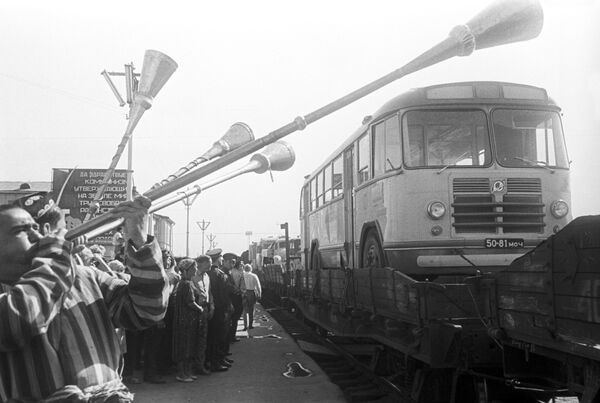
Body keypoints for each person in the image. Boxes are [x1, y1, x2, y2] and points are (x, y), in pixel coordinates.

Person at [0, 196, 168, 402]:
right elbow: (18, 320)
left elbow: (147, 311)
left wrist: (139, 239)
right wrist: (56, 257)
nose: (38, 236)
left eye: (36, 227)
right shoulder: (54, 270)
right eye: (21, 230)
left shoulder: (88, 276)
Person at [172, 258, 204, 383]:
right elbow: (190, 302)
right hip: (186, 320)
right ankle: (182, 374)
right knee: (185, 347)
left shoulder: (186, 283)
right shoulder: (186, 284)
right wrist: (200, 308)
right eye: (193, 268)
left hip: (186, 319)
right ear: (187, 270)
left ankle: (186, 372)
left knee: (188, 346)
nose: (195, 270)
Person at [205, 248, 233, 372]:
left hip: (212, 308)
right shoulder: (219, 274)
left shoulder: (208, 273)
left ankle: (218, 359)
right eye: (221, 257)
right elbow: (223, 294)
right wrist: (228, 307)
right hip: (220, 309)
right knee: (218, 336)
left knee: (214, 336)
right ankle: (216, 361)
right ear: (218, 258)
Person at [192, 254, 213, 376]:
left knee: (203, 339)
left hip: (205, 310)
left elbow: (210, 293)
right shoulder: (193, 276)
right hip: (194, 311)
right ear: (200, 264)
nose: (210, 264)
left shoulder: (207, 276)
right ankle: (194, 366)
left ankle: (200, 365)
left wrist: (212, 307)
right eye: (208, 262)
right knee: (194, 339)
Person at [226, 253, 246, 342]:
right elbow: (242, 286)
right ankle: (232, 336)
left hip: (231, 296)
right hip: (236, 297)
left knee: (231, 319)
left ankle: (229, 336)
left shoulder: (230, 271)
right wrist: (241, 292)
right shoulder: (239, 273)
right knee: (235, 318)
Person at [242, 263, 262, 330]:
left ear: (244, 269)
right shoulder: (254, 275)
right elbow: (258, 286)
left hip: (244, 293)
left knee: (244, 310)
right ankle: (250, 325)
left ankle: (245, 326)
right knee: (251, 309)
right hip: (251, 293)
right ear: (251, 269)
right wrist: (259, 294)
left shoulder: (242, 275)